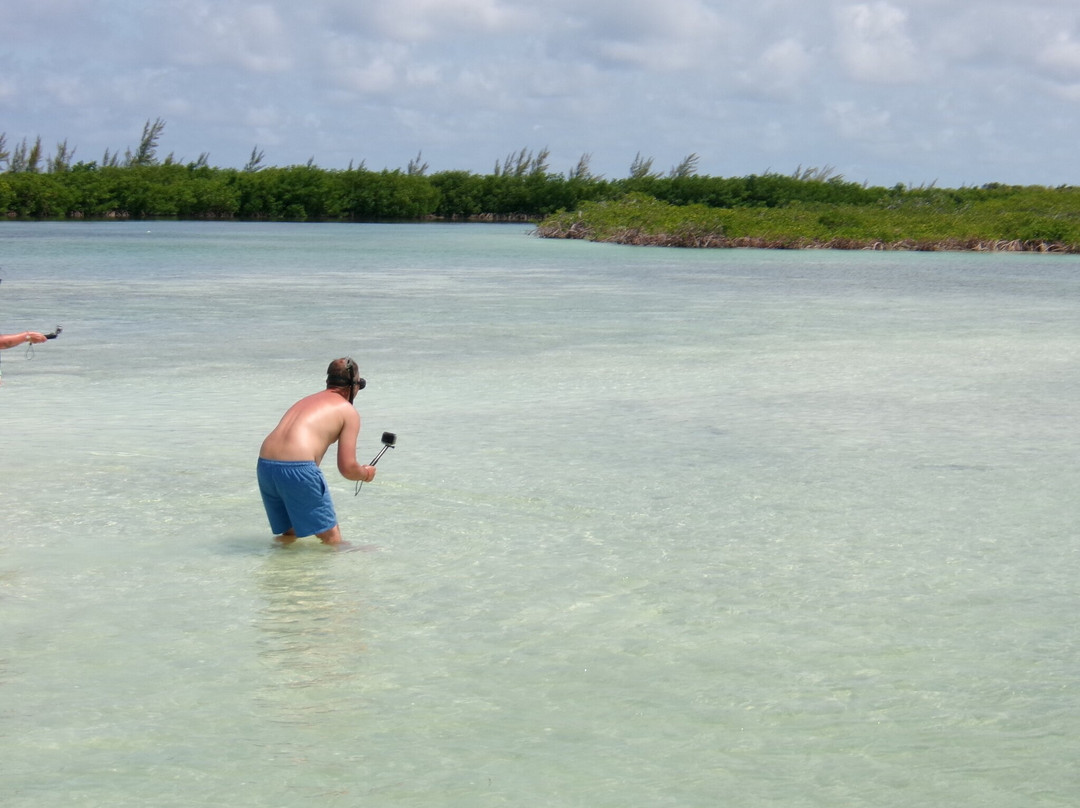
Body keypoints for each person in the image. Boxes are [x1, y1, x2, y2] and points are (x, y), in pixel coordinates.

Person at [257, 358, 376, 547]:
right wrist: (366, 473)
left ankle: (282, 575)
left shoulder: (307, 400)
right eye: (360, 386)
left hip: (265, 464)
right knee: (332, 539)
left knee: (290, 534)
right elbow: (347, 468)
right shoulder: (347, 411)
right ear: (353, 386)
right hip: (298, 466)